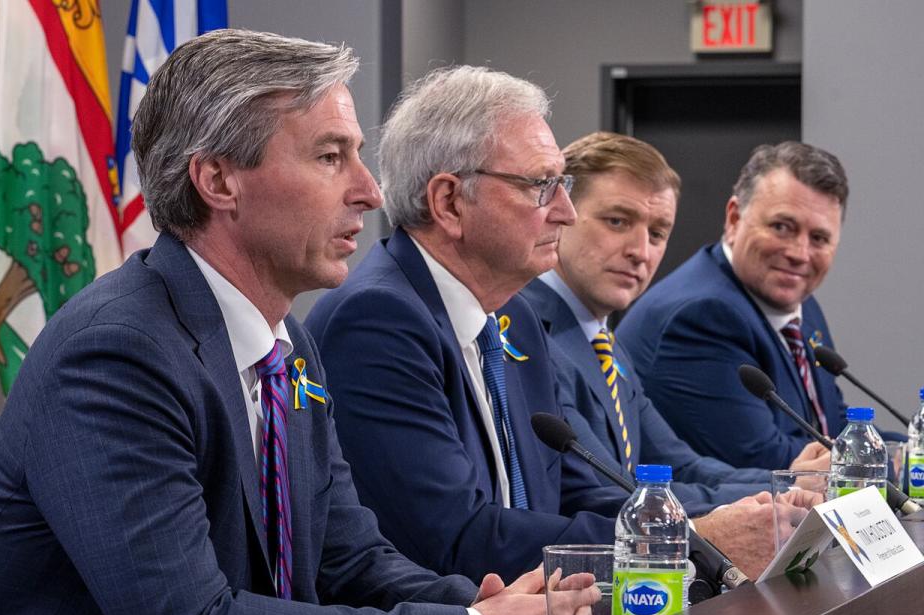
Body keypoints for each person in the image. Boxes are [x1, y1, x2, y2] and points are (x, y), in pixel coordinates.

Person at [0, 31, 588, 615]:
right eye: (329, 156)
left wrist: (486, 610)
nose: (371, 192)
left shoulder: (284, 338)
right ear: (219, 180)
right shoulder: (117, 353)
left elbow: (347, 557)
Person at [305, 66, 797, 586]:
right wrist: (682, 541)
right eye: (541, 185)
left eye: (560, 183)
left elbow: (581, 488)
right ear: (449, 202)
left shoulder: (515, 317)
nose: (564, 212)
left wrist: (688, 532)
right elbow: (454, 537)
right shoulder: (378, 322)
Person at [521, 132, 829, 520]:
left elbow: (679, 467)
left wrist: (791, 484)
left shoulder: (603, 339)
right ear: (561, 214)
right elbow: (610, 492)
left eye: (657, 233)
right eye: (617, 221)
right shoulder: (524, 331)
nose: (640, 251)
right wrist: (773, 500)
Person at [618, 141, 849, 469]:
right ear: (734, 218)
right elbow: (772, 463)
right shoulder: (702, 315)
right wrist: (879, 461)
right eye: (782, 227)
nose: (800, 253)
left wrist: (910, 450)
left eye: (819, 239)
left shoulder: (801, 306)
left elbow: (836, 428)